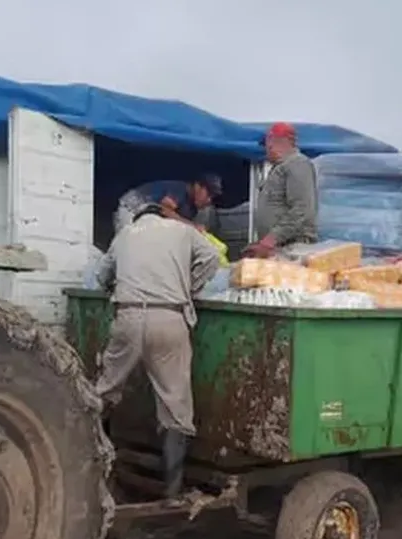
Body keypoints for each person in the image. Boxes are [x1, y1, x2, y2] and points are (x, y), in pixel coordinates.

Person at [94, 204, 221, 496]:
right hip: (169, 317)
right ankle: (172, 491)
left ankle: (86, 463)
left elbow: (102, 277)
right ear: (162, 216)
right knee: (174, 403)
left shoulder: (125, 234)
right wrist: (189, 287)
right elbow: (211, 258)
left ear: (138, 219)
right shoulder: (182, 230)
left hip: (127, 317)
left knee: (104, 391)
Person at [244, 122, 318, 259]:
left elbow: (302, 209)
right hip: (280, 247)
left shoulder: (297, 164)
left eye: (267, 144)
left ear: (272, 141)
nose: (267, 149)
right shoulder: (279, 168)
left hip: (294, 248)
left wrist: (272, 238)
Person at [112, 174, 223, 238]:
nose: (209, 200)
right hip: (131, 207)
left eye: (212, 197)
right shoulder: (179, 189)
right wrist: (194, 226)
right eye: (208, 194)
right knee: (125, 242)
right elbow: (166, 211)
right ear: (197, 186)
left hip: (145, 217)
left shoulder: (192, 209)